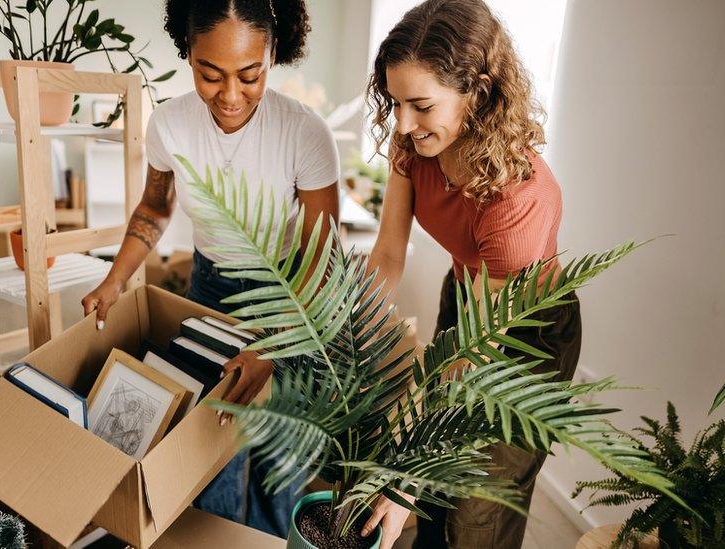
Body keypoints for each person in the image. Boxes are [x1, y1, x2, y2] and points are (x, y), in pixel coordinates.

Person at [81, 0, 340, 538]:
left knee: (277, 454)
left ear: (274, 51)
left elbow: (322, 257)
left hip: (294, 299)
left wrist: (273, 345)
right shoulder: (171, 124)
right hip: (210, 290)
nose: (229, 96)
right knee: (209, 444)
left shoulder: (304, 133)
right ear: (187, 53)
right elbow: (154, 207)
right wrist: (114, 279)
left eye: (250, 75)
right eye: (209, 74)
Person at [358, 1, 582, 548]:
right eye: (395, 102)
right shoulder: (413, 147)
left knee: (475, 503)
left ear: (477, 94)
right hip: (465, 296)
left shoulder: (521, 199)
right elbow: (388, 252)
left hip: (529, 335)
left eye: (421, 105)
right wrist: (351, 328)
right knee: (430, 494)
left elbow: (470, 357)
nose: (404, 125)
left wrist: (402, 473)